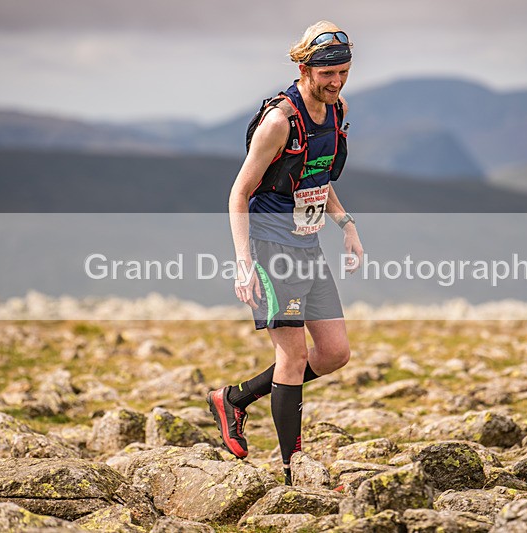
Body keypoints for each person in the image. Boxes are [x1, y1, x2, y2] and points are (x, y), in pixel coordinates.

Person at [207, 20, 363, 486]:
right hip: (271, 245)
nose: (335, 82)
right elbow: (238, 193)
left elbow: (317, 176)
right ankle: (292, 472)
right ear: (303, 67)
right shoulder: (279, 121)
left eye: (343, 72)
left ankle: (233, 398)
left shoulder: (337, 110)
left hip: (307, 242)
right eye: (326, 74)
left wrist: (346, 225)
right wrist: (242, 264)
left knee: (335, 353)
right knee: (292, 358)